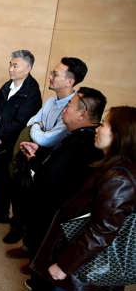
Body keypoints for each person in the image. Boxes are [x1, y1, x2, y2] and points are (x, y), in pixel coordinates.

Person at [31, 106, 136, 291]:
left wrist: (64, 266)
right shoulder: (112, 166)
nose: (97, 128)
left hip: (83, 269)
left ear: (120, 134)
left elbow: (101, 232)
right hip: (77, 255)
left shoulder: (120, 179)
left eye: (103, 125)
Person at [20, 87, 107, 290]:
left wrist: (33, 162)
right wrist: (40, 153)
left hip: (57, 218)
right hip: (55, 214)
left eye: (69, 105)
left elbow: (52, 180)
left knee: (46, 265)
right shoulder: (78, 136)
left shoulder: (84, 142)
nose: (64, 109)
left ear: (82, 113)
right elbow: (59, 165)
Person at [4, 57, 89, 245]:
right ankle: (19, 230)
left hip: (50, 163)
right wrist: (39, 127)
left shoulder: (72, 108)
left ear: (69, 81)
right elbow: (31, 122)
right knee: (19, 193)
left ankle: (31, 244)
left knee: (39, 207)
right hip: (34, 155)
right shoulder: (51, 101)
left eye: (55, 74)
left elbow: (47, 138)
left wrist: (38, 128)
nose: (49, 76)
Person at [0, 49, 42, 224]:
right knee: (0, 180)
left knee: (13, 183)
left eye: (15, 65)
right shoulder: (7, 85)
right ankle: (0, 213)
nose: (10, 69)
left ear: (28, 68)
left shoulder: (31, 92)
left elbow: (20, 122)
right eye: (10, 64)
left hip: (14, 144)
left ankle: (16, 222)